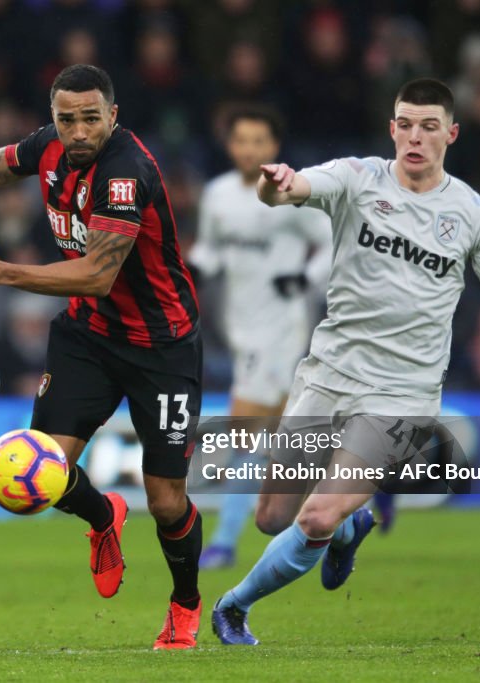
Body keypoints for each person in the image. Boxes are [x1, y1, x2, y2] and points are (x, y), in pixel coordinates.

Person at [0, 65, 205, 649]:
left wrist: (1, 272)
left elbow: (98, 274)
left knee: (166, 500)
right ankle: (104, 516)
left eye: (90, 119)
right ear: (54, 117)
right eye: (66, 119)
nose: (78, 131)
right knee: (41, 476)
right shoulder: (47, 146)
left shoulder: (126, 173)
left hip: (163, 347)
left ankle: (184, 604)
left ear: (113, 116)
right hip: (89, 336)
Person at [210, 78, 480, 645]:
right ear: (391, 129)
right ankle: (353, 525)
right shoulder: (358, 178)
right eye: (405, 123)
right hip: (330, 373)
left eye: (429, 126)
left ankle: (233, 607)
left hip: (403, 394)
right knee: (272, 517)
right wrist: (277, 185)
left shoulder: (473, 215)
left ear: (451, 134)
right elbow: (291, 189)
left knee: (315, 517)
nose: (415, 136)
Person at [189, 107, 331, 570]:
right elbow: (211, 250)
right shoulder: (218, 195)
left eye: (259, 141)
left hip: (281, 329)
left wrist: (304, 279)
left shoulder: (291, 190)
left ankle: (225, 543)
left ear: (274, 147)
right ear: (230, 146)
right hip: (241, 329)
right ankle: (348, 521)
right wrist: (191, 270)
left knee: (246, 435)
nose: (250, 149)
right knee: (283, 440)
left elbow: (332, 241)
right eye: (241, 140)